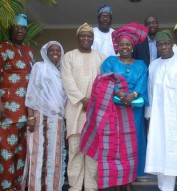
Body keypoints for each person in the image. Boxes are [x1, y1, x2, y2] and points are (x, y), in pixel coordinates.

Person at [80, 22, 148, 191]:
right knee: (116, 146)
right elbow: (104, 80)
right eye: (122, 44)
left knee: (132, 146)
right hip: (114, 109)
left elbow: (143, 84)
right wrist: (120, 93)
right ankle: (117, 184)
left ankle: (129, 182)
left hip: (134, 111)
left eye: (128, 45)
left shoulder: (141, 65)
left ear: (133, 47)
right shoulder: (110, 61)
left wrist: (131, 95)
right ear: (118, 47)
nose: (125, 47)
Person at [0, 13, 35, 191]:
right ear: (11, 29)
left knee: (21, 152)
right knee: (8, 152)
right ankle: (6, 187)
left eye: (23, 28)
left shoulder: (28, 51)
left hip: (26, 111)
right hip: (7, 110)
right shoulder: (3, 48)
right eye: (16, 27)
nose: (20, 31)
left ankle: (18, 185)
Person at [145, 29, 177, 191]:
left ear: (172, 44)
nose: (163, 47)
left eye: (166, 43)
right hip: (159, 121)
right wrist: (150, 118)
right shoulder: (153, 66)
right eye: (160, 44)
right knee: (162, 158)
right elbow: (151, 92)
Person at [61, 23, 106, 191]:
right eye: (83, 36)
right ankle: (75, 186)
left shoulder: (101, 57)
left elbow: (105, 82)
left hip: (95, 110)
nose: (86, 39)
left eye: (89, 36)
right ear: (78, 38)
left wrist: (93, 101)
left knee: (93, 151)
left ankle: (91, 187)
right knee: (75, 149)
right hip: (75, 110)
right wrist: (82, 99)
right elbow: (67, 81)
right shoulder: (69, 57)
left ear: (93, 39)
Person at [22, 41, 67, 191]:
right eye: (52, 50)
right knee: (38, 154)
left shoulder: (62, 72)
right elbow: (32, 92)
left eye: (58, 51)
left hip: (58, 120)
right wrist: (30, 117)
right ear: (46, 53)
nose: (55, 53)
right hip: (40, 117)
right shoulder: (39, 67)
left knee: (55, 157)